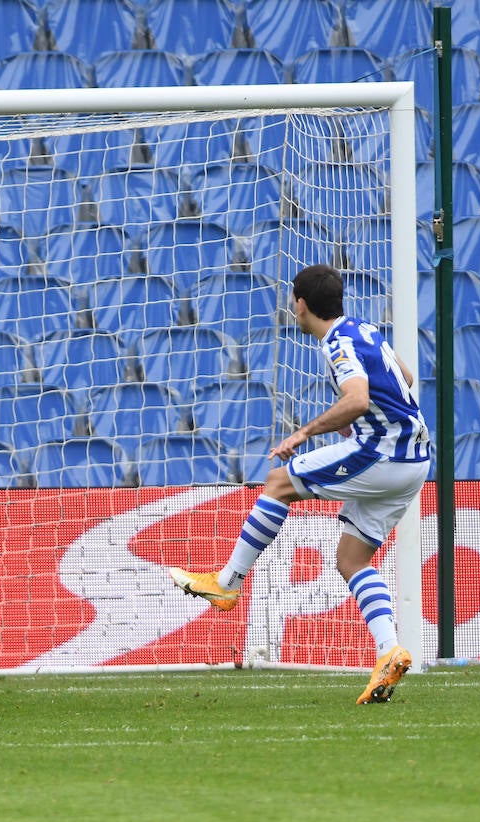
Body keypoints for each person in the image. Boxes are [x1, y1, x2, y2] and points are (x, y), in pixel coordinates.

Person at [169, 264, 430, 704]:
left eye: (292, 299)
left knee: (277, 482)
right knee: (351, 559)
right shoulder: (362, 329)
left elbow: (358, 398)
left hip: (384, 453)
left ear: (301, 305)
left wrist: (304, 433)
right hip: (416, 460)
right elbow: (403, 378)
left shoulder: (337, 344)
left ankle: (228, 583)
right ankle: (389, 651)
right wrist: (364, 415)